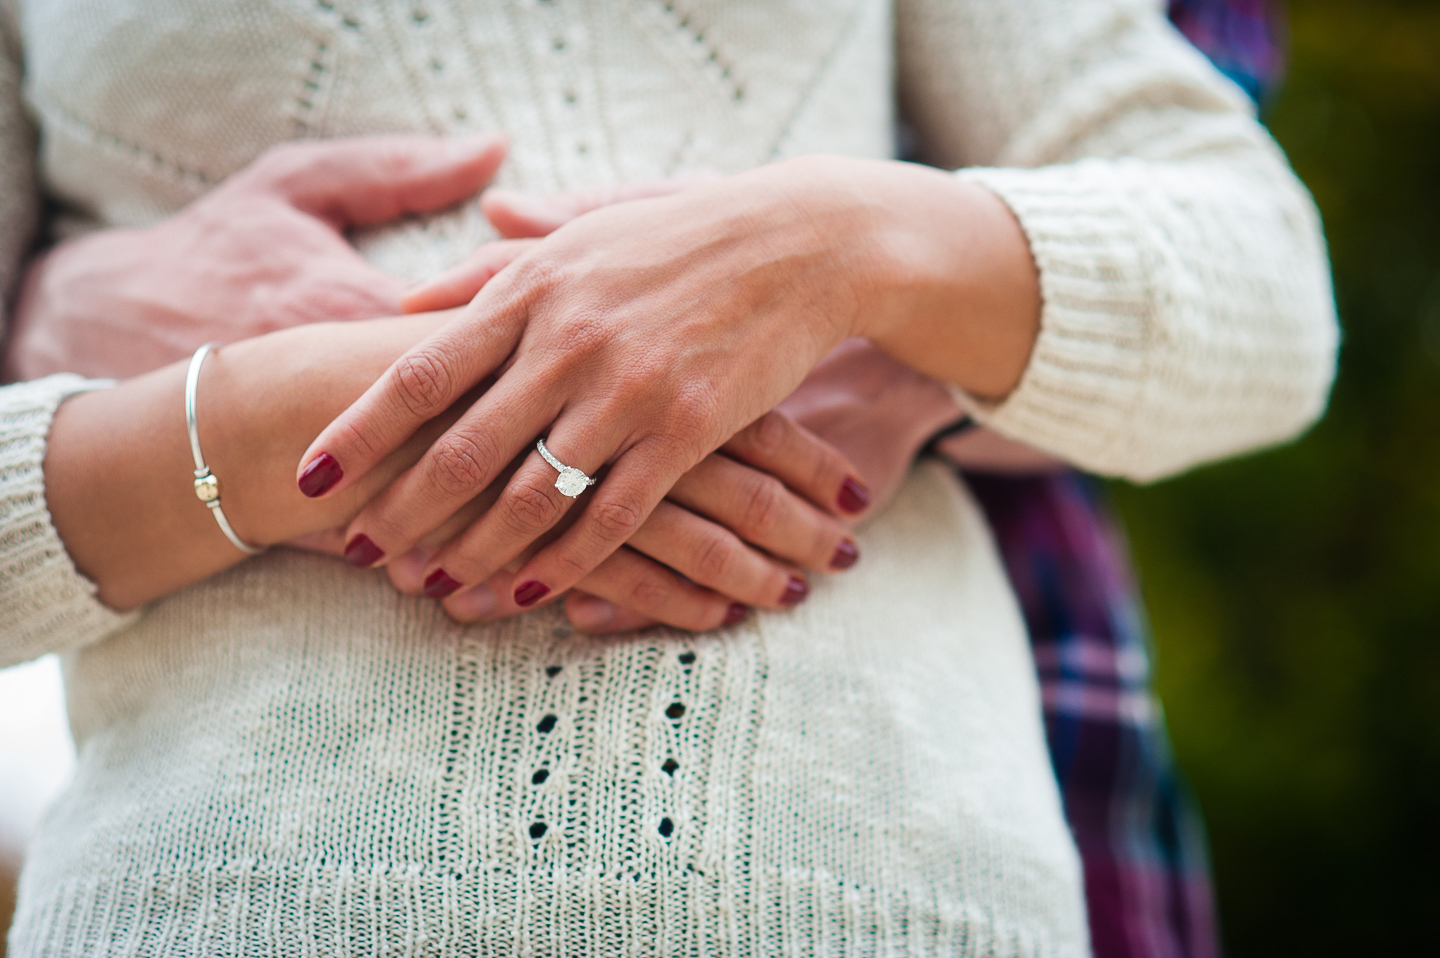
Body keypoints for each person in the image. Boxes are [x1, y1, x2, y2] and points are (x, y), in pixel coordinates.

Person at [0, 0, 1335, 954]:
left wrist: (840, 240)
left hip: (878, 895)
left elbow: (1265, 289)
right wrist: (258, 423)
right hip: (212, 901)